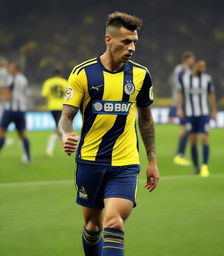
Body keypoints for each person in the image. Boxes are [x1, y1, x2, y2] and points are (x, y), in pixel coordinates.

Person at [58, 11, 160, 256]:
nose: (132, 47)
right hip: (90, 162)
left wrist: (152, 160)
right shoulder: (83, 73)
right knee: (93, 227)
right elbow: (66, 117)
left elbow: (145, 119)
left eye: (134, 41)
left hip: (125, 163)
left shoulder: (140, 75)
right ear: (108, 40)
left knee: (113, 221)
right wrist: (65, 134)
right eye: (126, 41)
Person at [177, 60, 217, 177]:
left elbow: (212, 95)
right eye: (201, 66)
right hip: (190, 114)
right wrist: (179, 108)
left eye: (204, 67)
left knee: (204, 139)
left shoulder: (207, 79)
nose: (203, 69)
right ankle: (196, 167)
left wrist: (214, 110)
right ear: (195, 67)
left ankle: (204, 165)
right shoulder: (185, 79)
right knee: (193, 142)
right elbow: (180, 94)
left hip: (204, 114)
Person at [0, 62, 31, 163]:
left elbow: (8, 93)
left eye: (11, 67)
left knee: (1, 132)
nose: (9, 69)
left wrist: (2, 97)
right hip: (21, 110)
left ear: (16, 68)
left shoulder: (12, 78)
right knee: (22, 134)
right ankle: (27, 157)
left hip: (10, 110)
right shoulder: (24, 79)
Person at [170, 52, 195, 166]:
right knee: (185, 128)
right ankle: (180, 155)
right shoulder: (180, 69)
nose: (193, 61)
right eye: (192, 59)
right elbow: (178, 85)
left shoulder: (189, 71)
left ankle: (181, 154)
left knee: (187, 129)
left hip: (188, 103)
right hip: (182, 103)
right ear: (187, 59)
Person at [41, 69, 68, 157]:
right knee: (59, 128)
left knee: (60, 128)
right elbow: (69, 95)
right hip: (62, 107)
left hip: (52, 107)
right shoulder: (64, 82)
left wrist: (47, 104)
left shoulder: (48, 82)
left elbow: (44, 95)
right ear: (60, 74)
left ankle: (66, 146)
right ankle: (50, 149)